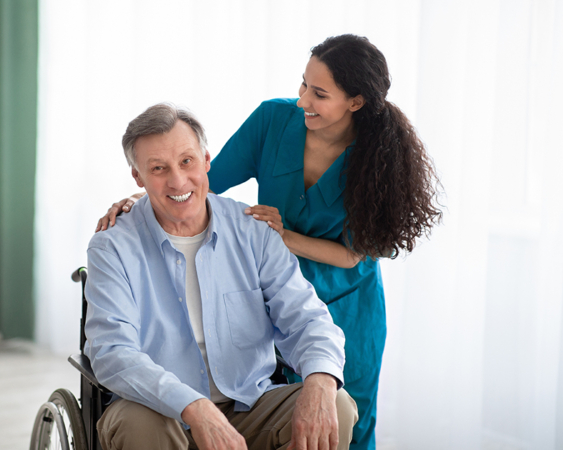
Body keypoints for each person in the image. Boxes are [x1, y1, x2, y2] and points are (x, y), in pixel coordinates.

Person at [96, 35, 442, 450]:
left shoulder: (374, 157)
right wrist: (143, 200)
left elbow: (351, 256)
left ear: (355, 102)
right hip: (261, 283)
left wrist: (280, 238)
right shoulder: (273, 123)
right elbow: (201, 182)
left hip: (345, 296)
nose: (303, 100)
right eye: (303, 85)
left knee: (345, 408)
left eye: (319, 93)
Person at [85, 103, 359, 450]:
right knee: (140, 425)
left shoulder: (253, 232)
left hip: (250, 403)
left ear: (206, 160)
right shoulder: (112, 247)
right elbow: (112, 351)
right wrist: (193, 407)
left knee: (337, 405)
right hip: (159, 409)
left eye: (187, 162)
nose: (178, 180)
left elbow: (307, 318)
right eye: (158, 168)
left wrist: (320, 382)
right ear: (138, 177)